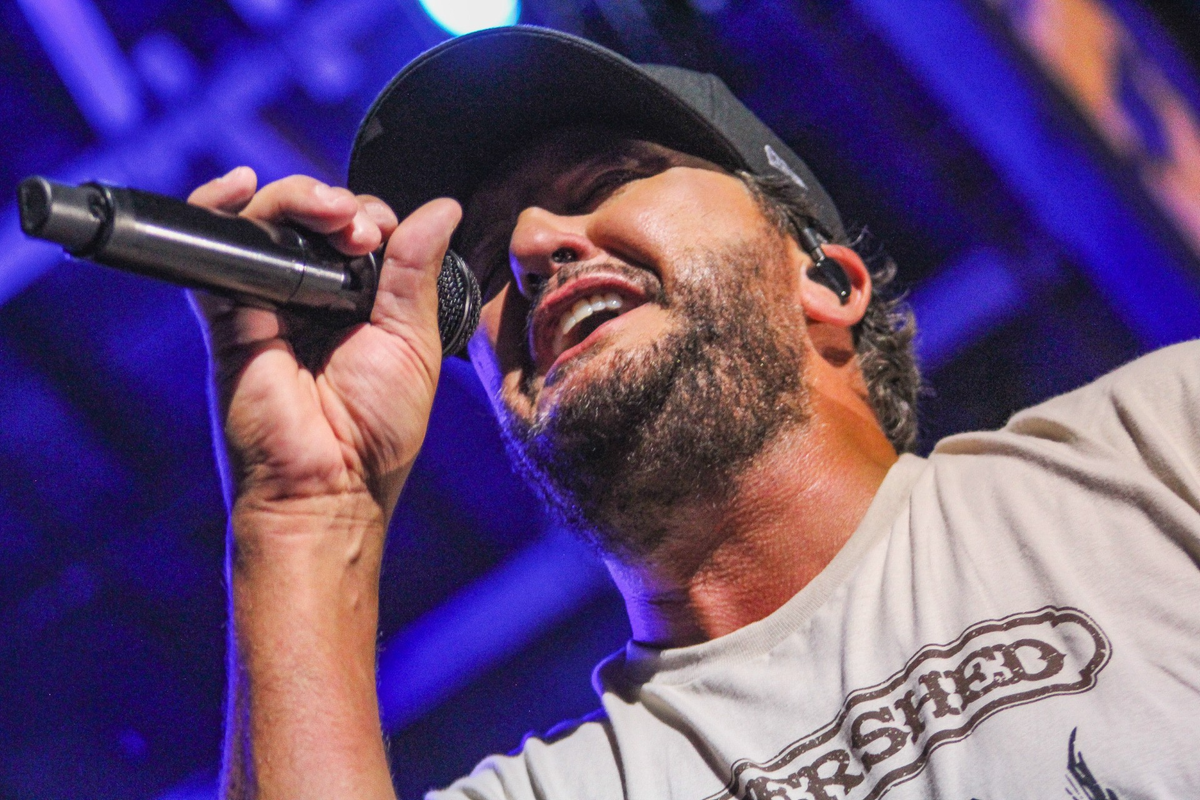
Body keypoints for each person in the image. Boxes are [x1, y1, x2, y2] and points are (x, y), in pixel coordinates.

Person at [188, 26, 1200, 800]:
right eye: (490, 264)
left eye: (607, 180)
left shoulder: (1155, 453)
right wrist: (304, 517)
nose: (537, 244)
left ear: (827, 279)